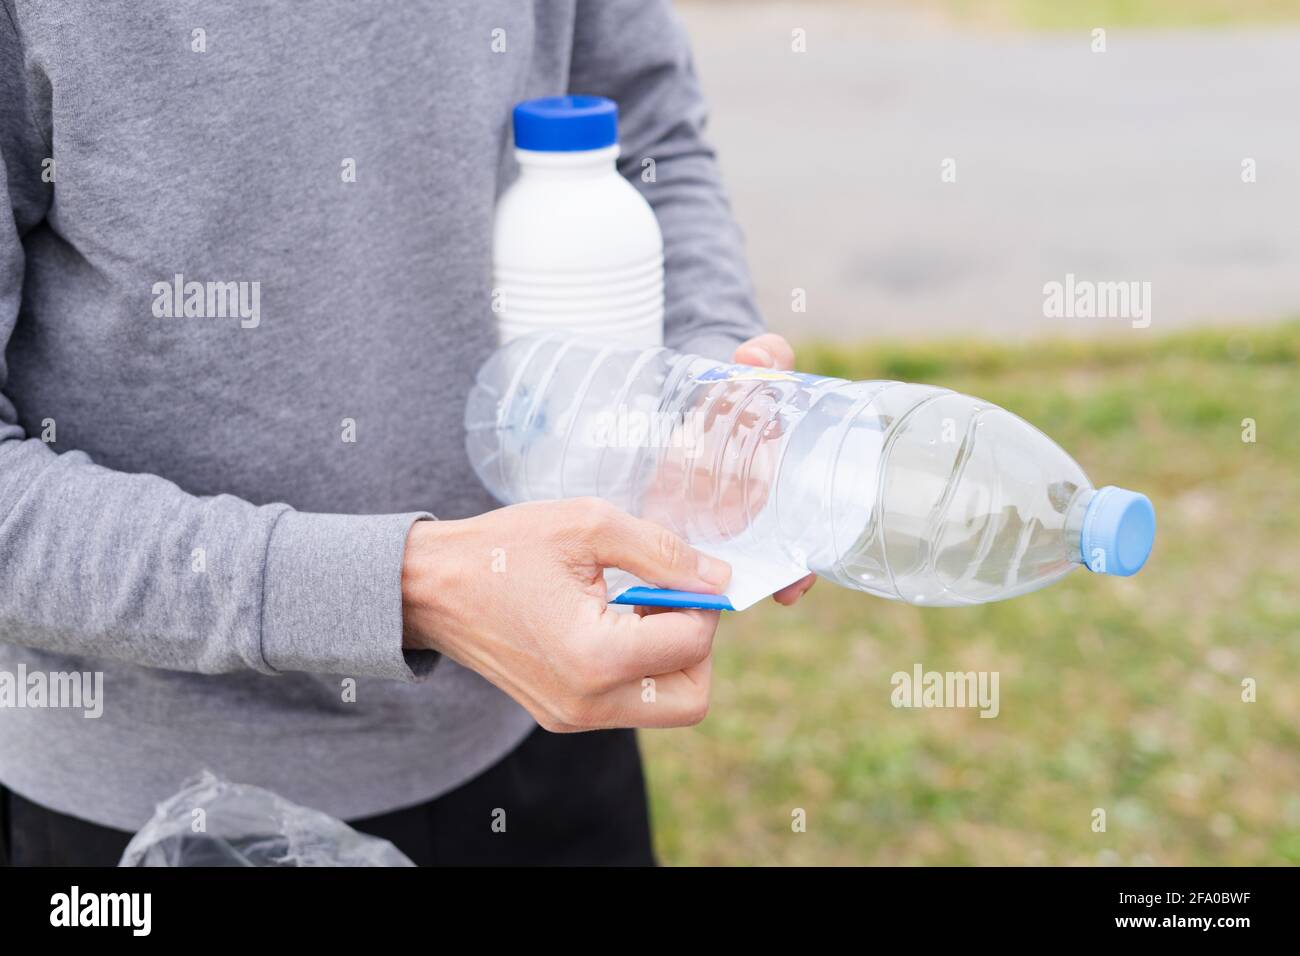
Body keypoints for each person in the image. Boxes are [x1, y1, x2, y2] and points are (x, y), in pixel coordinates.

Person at [0, 0, 814, 866]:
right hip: (155, 809)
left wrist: (709, 376)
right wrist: (408, 591)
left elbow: (651, 138)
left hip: (547, 714)